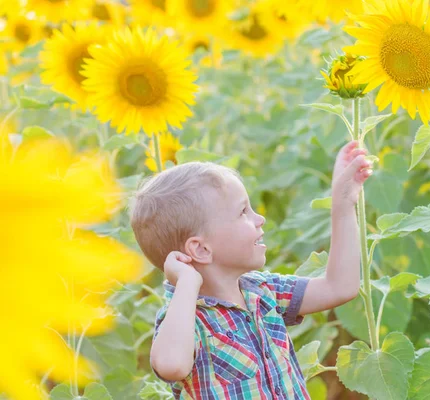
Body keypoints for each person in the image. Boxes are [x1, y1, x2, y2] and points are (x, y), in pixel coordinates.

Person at [130, 141, 373, 399]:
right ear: (201, 250)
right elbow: (171, 365)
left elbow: (339, 287)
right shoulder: (189, 320)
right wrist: (187, 283)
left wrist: (343, 204)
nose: (260, 219)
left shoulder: (262, 291)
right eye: (243, 212)